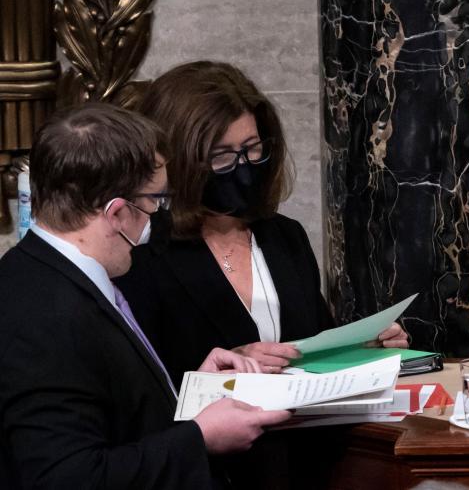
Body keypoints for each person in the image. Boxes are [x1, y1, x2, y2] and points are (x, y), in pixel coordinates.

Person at [0, 103, 289, 489]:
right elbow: (67, 476)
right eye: (155, 202)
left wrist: (189, 395)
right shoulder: (45, 315)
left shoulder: (44, 272)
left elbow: (114, 411)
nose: (158, 219)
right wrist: (199, 438)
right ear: (117, 213)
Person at [117, 60, 408, 387]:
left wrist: (363, 347)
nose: (243, 168)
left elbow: (310, 348)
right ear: (181, 161)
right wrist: (226, 367)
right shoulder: (141, 253)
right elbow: (138, 389)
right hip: (215, 434)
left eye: (252, 150)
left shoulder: (284, 236)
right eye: (222, 156)